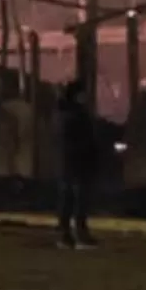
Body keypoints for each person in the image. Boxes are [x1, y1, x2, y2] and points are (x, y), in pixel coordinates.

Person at [56, 79, 100, 249]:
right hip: (78, 161)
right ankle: (79, 235)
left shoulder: (63, 113)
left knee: (68, 198)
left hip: (69, 161)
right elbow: (83, 139)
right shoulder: (76, 115)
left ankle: (66, 235)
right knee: (79, 199)